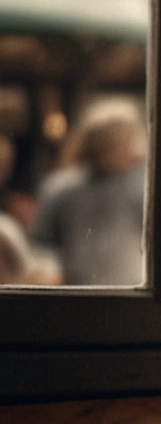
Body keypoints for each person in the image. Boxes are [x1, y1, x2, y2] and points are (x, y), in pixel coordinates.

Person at [29, 96, 147, 285]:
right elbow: (41, 244)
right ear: (94, 141)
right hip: (75, 294)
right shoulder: (61, 187)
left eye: (129, 137)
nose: (126, 146)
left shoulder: (142, 186)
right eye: (115, 138)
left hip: (131, 292)